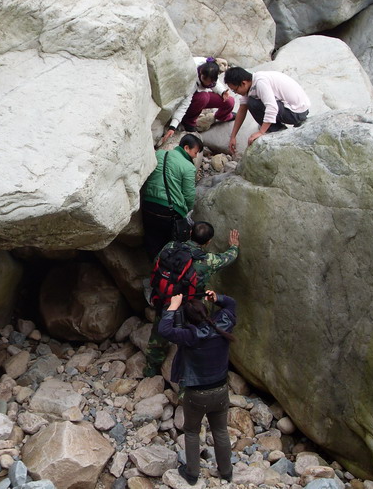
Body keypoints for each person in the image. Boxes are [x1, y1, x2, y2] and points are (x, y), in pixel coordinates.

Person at [158, 291, 236, 485]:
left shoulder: (188, 335)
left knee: (192, 431)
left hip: (197, 394)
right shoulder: (222, 325)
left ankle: (192, 474)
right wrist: (218, 297)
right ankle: (226, 472)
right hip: (220, 390)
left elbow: (164, 330)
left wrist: (173, 307)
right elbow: (231, 304)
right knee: (220, 431)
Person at [143, 223, 239, 377]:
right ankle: (187, 379)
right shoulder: (207, 261)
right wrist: (234, 246)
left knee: (157, 338)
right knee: (191, 339)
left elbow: (156, 262)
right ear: (208, 242)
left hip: (165, 299)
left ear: (189, 233)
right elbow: (229, 258)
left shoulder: (171, 246)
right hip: (189, 308)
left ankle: (150, 370)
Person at [141, 134, 203, 261]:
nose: (196, 156)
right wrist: (187, 211)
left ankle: (153, 270)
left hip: (147, 206)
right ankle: (165, 274)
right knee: (168, 247)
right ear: (186, 148)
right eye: (195, 152)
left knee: (152, 241)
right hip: (169, 212)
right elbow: (189, 195)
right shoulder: (188, 167)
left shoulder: (159, 154)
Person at [224, 67, 310, 155]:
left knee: (252, 103)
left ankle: (276, 129)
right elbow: (242, 110)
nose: (235, 93)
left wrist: (261, 132)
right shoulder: (252, 84)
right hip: (292, 109)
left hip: (297, 112)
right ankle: (273, 127)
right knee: (251, 102)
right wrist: (233, 136)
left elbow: (272, 107)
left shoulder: (260, 82)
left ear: (243, 83)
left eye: (235, 90)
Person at [162, 57, 235, 141]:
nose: (207, 83)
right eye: (205, 80)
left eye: (210, 82)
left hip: (201, 95)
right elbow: (184, 104)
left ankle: (222, 116)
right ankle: (188, 122)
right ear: (201, 73)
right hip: (191, 97)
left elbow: (216, 84)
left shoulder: (211, 68)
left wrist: (222, 92)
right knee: (203, 97)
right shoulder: (191, 77)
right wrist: (172, 126)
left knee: (229, 101)